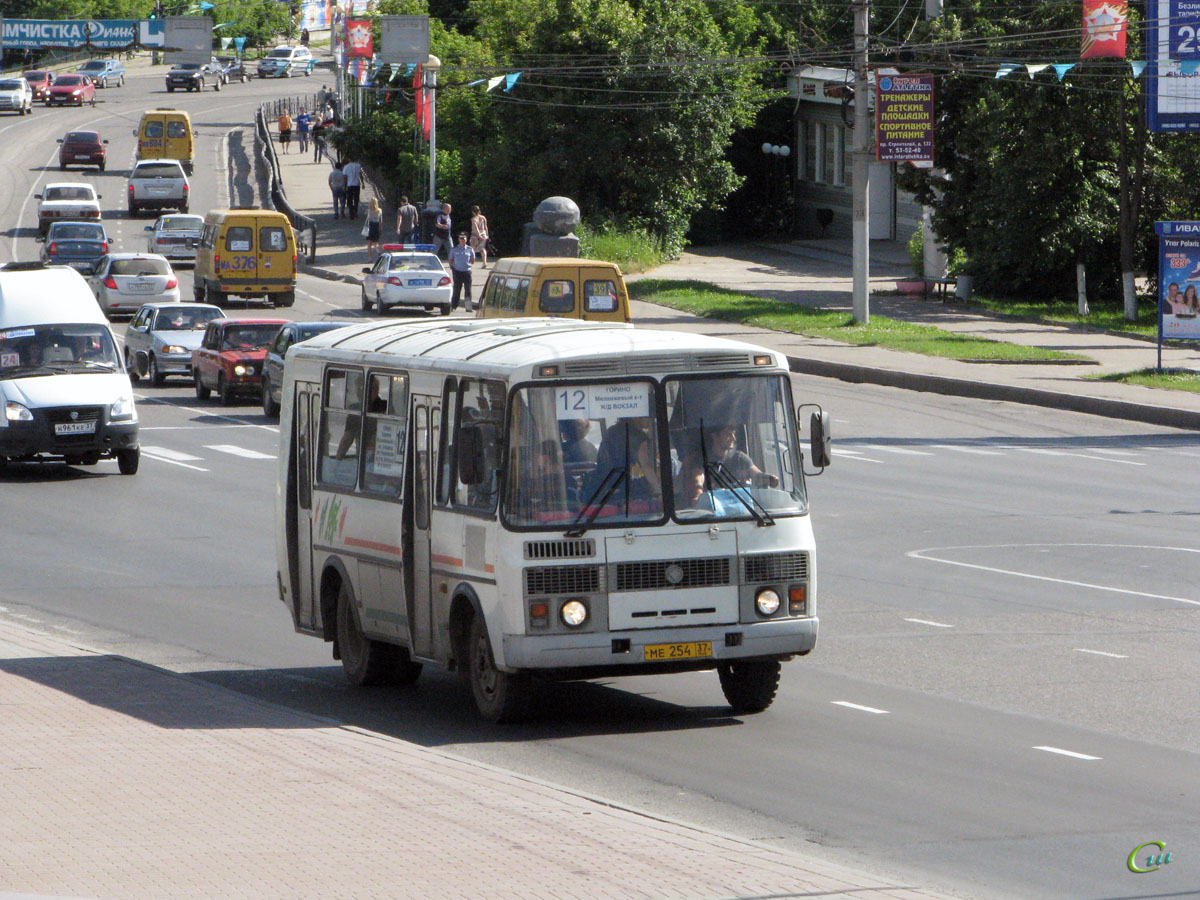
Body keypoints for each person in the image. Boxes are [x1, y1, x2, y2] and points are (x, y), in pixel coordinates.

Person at [705, 425, 778, 487]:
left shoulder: (739, 458)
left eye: (734, 434)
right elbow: (697, 482)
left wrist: (769, 479)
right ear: (714, 436)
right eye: (728, 434)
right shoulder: (702, 460)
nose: (734, 438)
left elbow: (757, 475)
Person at [448, 233, 475, 311]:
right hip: (457, 272)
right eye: (461, 239)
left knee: (468, 290)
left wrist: (467, 265)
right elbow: (451, 260)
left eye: (464, 239)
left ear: (466, 240)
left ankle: (468, 307)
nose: (462, 240)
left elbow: (472, 260)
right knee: (457, 290)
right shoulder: (454, 249)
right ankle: (453, 306)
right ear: (459, 240)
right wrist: (453, 269)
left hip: (467, 272)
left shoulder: (470, 249)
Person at [364, 196, 383, 260]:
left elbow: (367, 218)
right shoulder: (380, 211)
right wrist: (380, 229)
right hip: (377, 227)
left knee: (369, 244)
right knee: (376, 243)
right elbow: (380, 221)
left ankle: (370, 258)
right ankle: (379, 252)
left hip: (370, 227)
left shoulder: (369, 211)